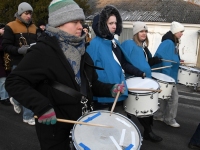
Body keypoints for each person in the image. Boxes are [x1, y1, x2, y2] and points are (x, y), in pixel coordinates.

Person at [5, 0, 124, 149]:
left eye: (80, 21)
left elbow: (90, 84)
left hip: (82, 124)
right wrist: (41, 106)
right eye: (75, 21)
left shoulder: (81, 50)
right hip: (55, 130)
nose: (80, 26)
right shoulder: (43, 51)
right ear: (59, 23)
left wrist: (110, 89)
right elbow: (14, 81)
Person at [86, 5, 145, 110]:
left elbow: (123, 63)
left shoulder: (115, 43)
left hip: (118, 93)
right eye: (110, 23)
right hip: (101, 99)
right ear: (101, 24)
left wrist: (139, 72)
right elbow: (89, 75)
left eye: (115, 23)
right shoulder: (93, 45)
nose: (114, 26)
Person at [121, 21, 162, 142]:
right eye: (141, 31)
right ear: (135, 33)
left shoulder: (143, 48)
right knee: (139, 109)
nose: (144, 33)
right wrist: (137, 72)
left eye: (145, 31)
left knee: (148, 108)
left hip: (145, 80)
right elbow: (124, 62)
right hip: (134, 81)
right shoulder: (129, 44)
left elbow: (144, 63)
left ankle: (147, 132)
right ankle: (145, 132)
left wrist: (153, 62)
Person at [2, 2, 37, 125]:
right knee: (26, 89)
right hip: (18, 62)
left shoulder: (34, 27)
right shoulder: (10, 26)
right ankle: (27, 116)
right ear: (20, 13)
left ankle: (16, 100)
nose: (29, 16)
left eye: (30, 13)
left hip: (31, 62)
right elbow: (5, 46)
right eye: (26, 13)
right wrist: (18, 50)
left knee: (27, 89)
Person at [152, 21, 184, 128]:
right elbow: (165, 60)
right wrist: (167, 78)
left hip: (168, 75)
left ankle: (158, 115)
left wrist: (179, 60)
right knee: (174, 97)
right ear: (175, 32)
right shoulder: (168, 43)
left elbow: (171, 58)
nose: (182, 34)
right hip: (166, 75)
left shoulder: (172, 42)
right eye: (180, 31)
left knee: (165, 97)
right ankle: (169, 119)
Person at [0, 23, 10, 106]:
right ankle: (3, 98)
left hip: (3, 62)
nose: (4, 31)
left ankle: (4, 97)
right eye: (2, 29)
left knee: (3, 80)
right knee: (2, 80)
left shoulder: (4, 38)